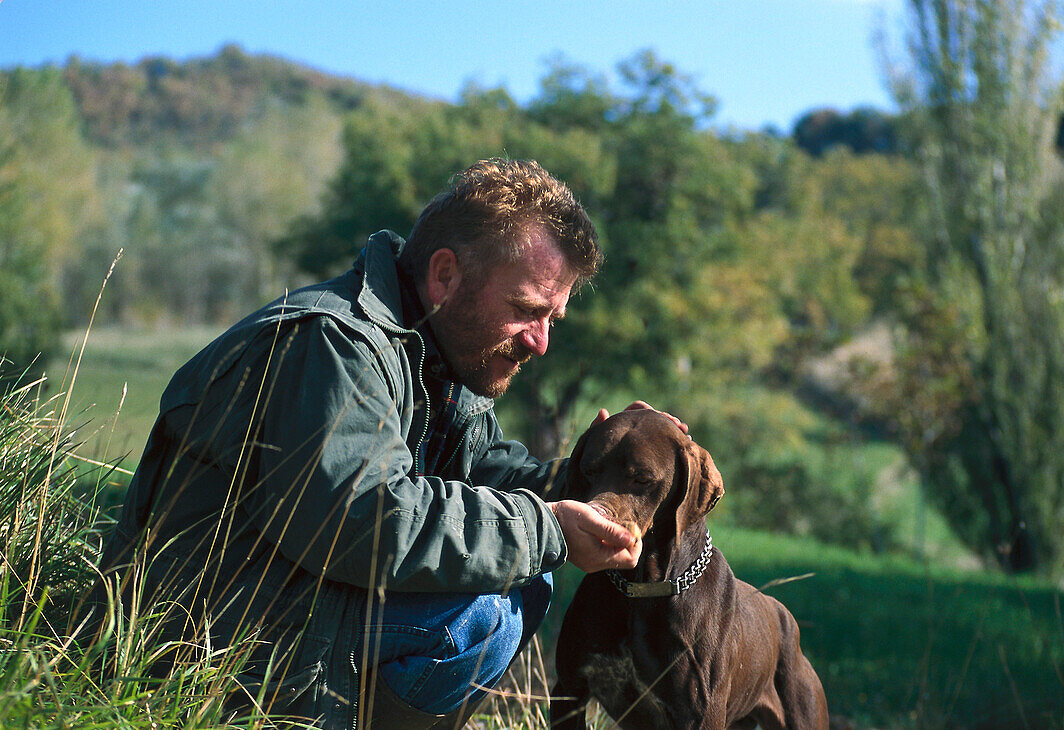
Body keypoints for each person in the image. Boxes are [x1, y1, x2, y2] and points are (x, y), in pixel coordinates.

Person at [96, 158, 681, 728]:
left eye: (553, 317)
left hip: (285, 608)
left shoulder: (441, 360)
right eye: (527, 310)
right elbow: (370, 521)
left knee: (522, 575)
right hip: (192, 644)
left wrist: (610, 460)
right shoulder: (332, 347)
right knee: (488, 609)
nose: (541, 342)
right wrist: (547, 527)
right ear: (445, 275)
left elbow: (488, 475)